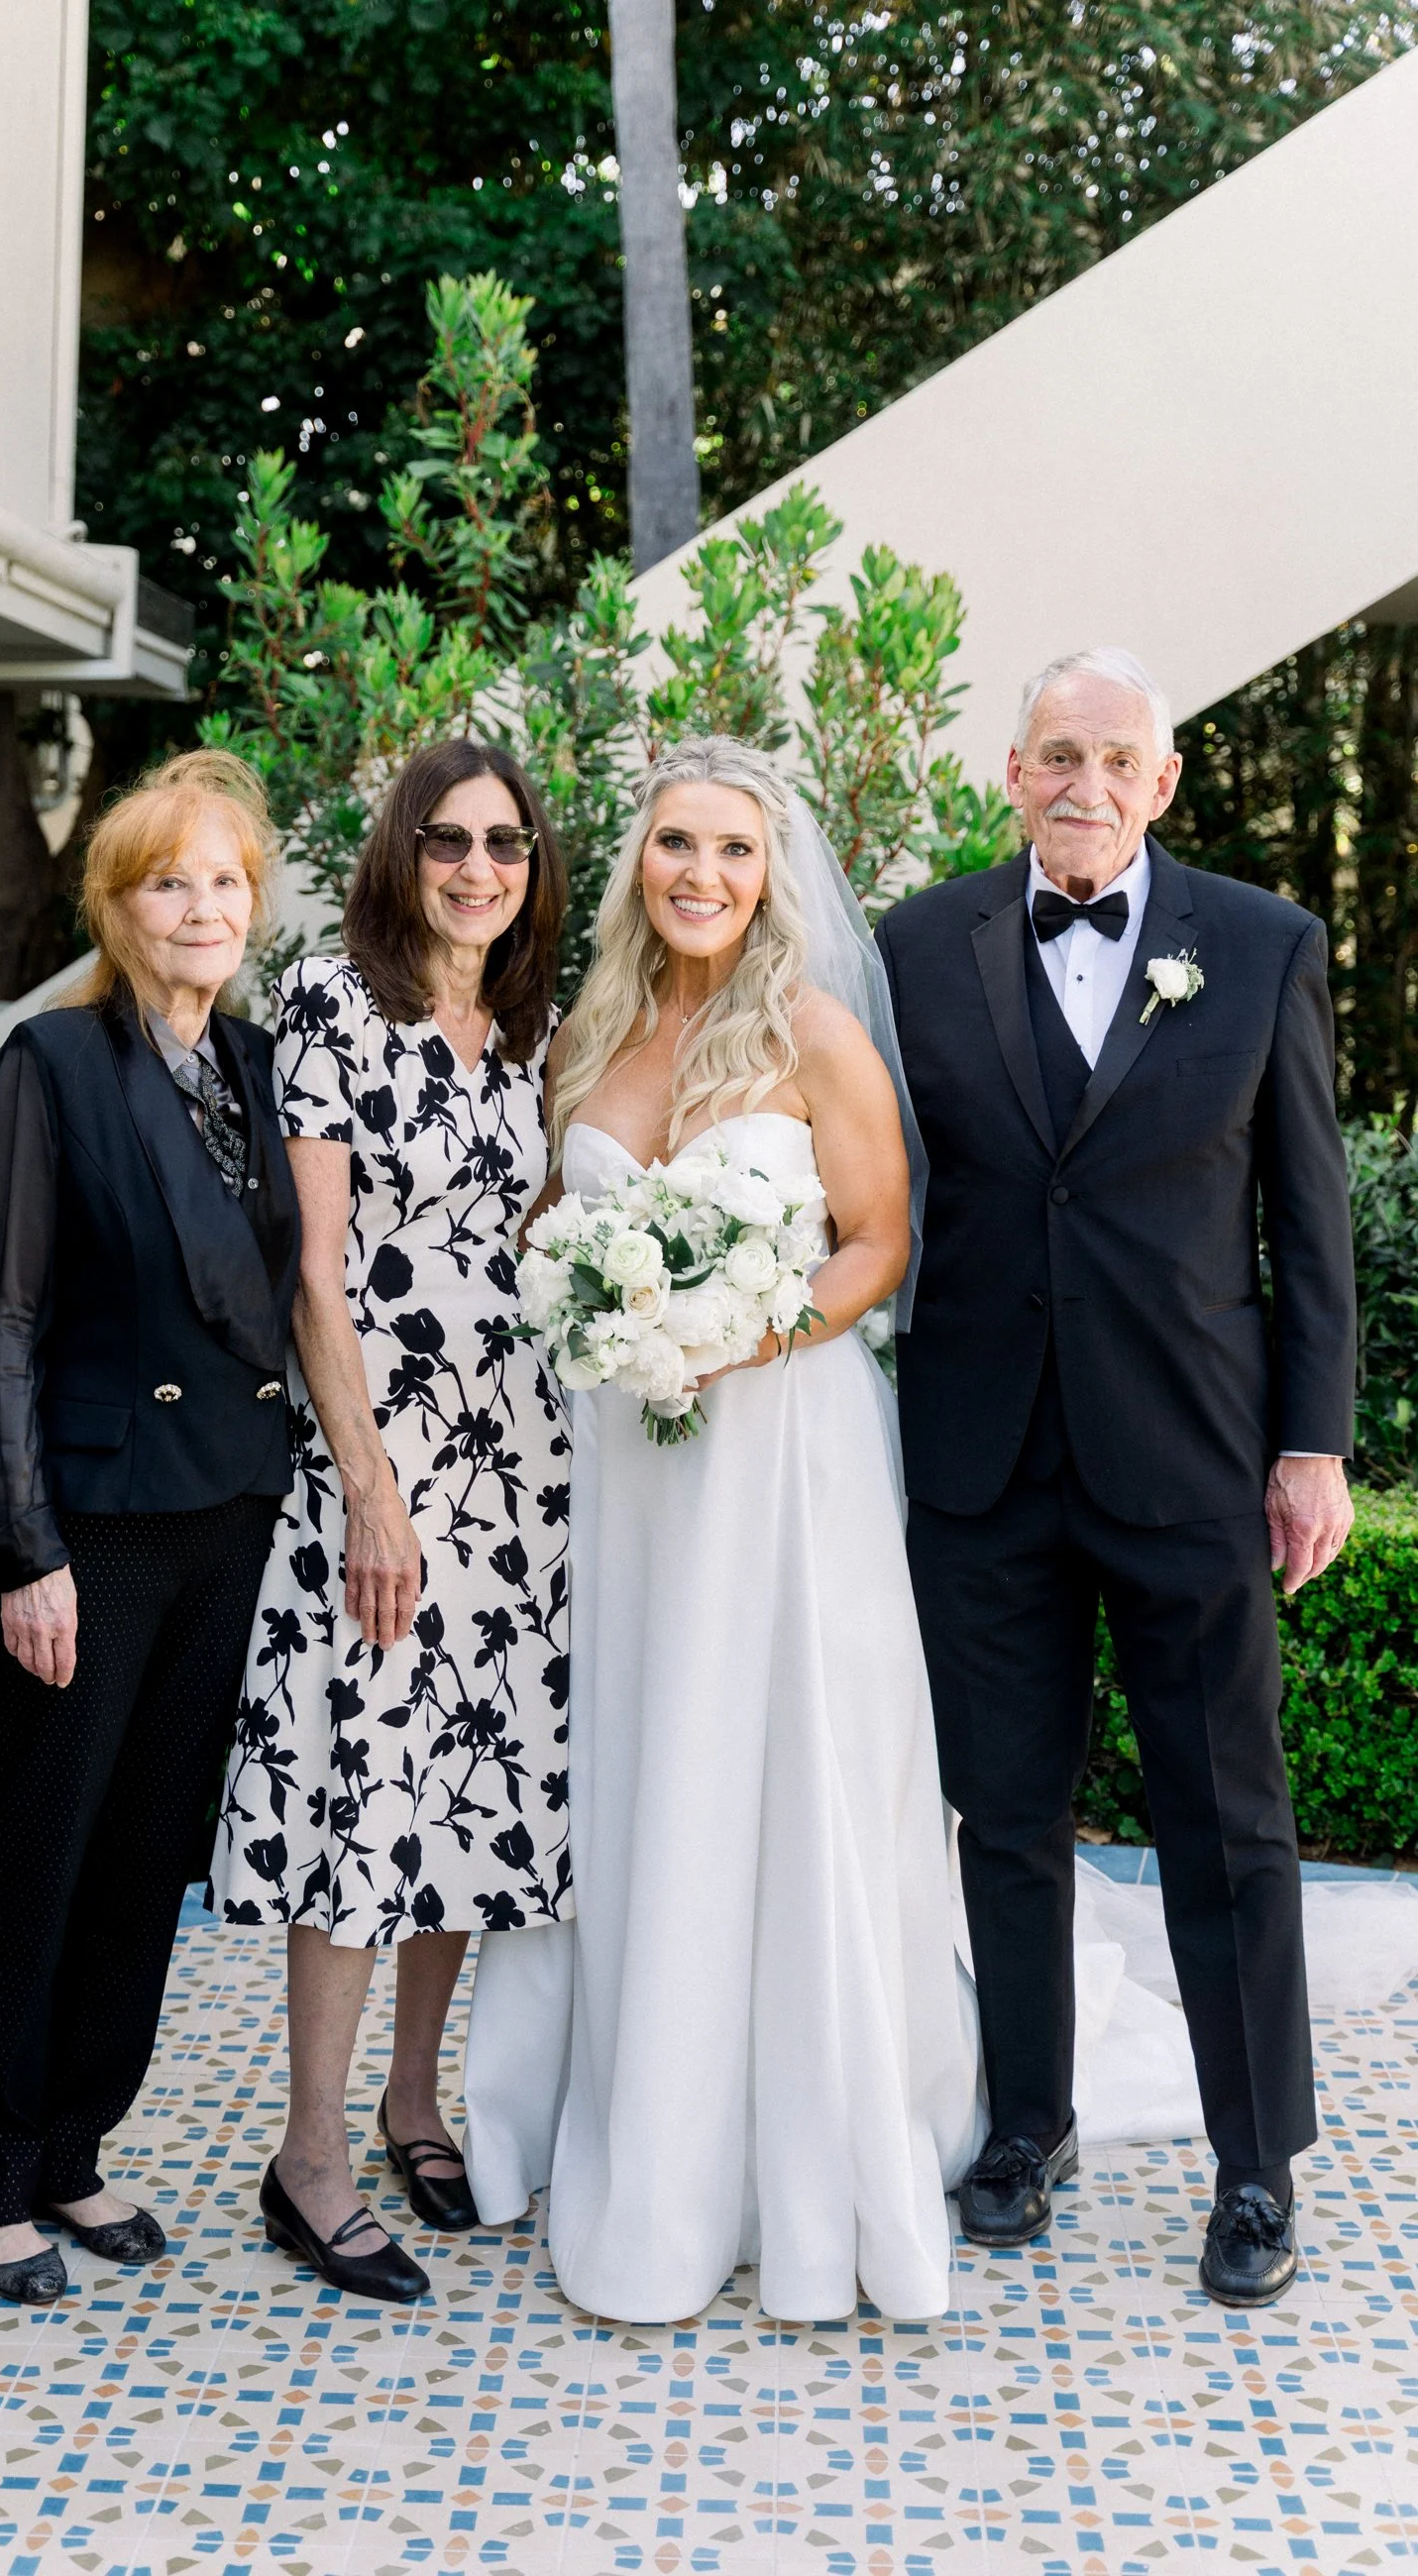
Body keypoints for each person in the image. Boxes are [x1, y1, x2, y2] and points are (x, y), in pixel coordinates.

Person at [461, 735, 982, 2326]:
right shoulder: (586, 1035)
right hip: (627, 1467)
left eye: (734, 850)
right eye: (676, 843)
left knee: (783, 1758)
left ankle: (790, 2150)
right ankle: (643, 2108)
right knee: (648, 1752)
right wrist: (608, 1305)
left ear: (771, 876)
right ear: (640, 862)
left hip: (782, 1457)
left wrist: (740, 1330)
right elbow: (550, 1228)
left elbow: (878, 1242)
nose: (702, 873)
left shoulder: (817, 1033)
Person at [876, 645, 1357, 2308]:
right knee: (1004, 1818)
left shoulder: (1264, 943)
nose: (1084, 784)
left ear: (1163, 782)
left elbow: (1309, 1218)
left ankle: (1256, 2164)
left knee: (1230, 1819)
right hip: (983, 1459)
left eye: (1116, 759)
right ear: (1013, 773)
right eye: (1055, 754)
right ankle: (1029, 2123)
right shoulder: (917, 946)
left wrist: (1313, 1443)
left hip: (1191, 1456)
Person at [209, 738, 572, 2305]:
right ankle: (309, 2156)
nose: (479, 868)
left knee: (465, 1795)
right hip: (382, 1463)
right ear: (402, 855)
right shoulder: (331, 1005)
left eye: (505, 843)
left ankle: (414, 2103)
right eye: (449, 841)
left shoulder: (533, 1029)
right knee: (367, 1786)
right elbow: (313, 1267)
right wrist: (368, 1490)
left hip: (521, 1471)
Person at [0, 750, 300, 2306]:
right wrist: (26, 1550)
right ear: (116, 902)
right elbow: (4, 1321)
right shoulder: (51, 1065)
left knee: (147, 1853)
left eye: (226, 880)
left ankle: (76, 2146)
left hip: (227, 1513)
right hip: (92, 1525)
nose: (203, 907)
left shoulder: (259, 1064)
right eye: (171, 881)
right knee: (43, 1850)